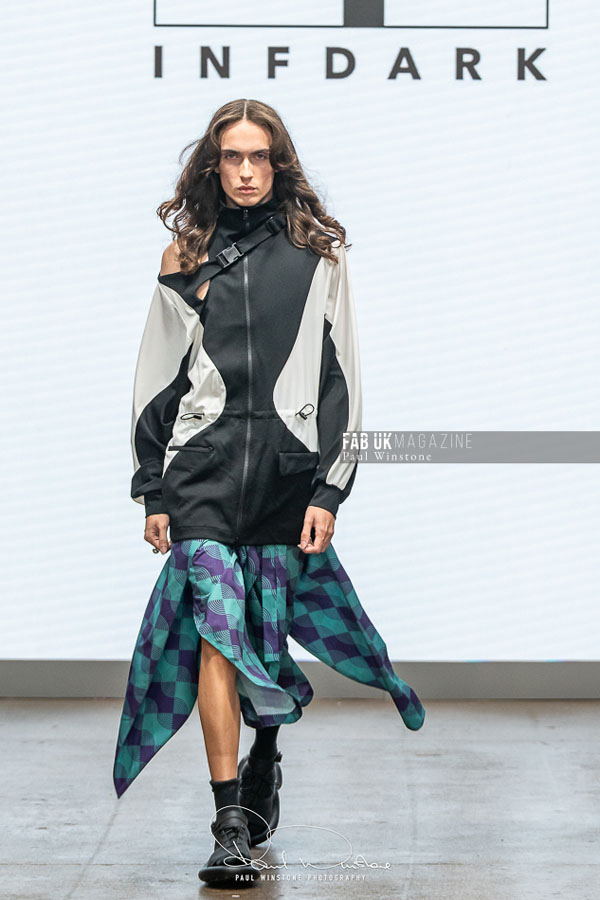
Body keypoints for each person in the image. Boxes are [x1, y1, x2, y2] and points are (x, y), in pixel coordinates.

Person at [113, 98, 426, 886]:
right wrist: (153, 489)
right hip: (202, 472)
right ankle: (227, 824)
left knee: (264, 631)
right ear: (213, 165)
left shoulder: (319, 251)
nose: (246, 171)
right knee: (218, 635)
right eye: (232, 157)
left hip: (286, 475)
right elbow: (157, 375)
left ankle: (266, 757)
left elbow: (342, 376)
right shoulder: (185, 253)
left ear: (279, 163)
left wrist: (330, 489)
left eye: (259, 157)